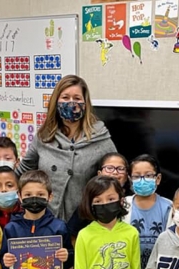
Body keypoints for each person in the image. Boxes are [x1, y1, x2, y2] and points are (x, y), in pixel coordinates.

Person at [15, 74, 117, 221]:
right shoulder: (44, 136)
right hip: (46, 221)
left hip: (84, 222)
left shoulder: (100, 138)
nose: (71, 103)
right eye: (65, 98)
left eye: (77, 98)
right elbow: (23, 171)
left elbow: (117, 177)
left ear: (85, 103)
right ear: (56, 101)